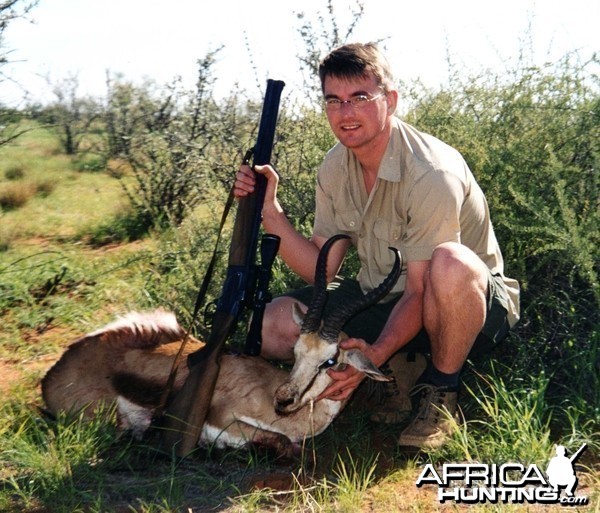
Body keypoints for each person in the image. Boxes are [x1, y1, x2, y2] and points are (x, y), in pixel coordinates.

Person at [234, 42, 520, 450]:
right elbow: (322, 268)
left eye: (360, 98)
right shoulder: (335, 166)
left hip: (460, 305)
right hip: (382, 298)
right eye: (334, 101)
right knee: (270, 324)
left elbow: (421, 290)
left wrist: (378, 350)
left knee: (451, 262)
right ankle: (399, 369)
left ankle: (440, 390)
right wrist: (271, 213)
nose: (345, 113)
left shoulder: (431, 172)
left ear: (391, 100)